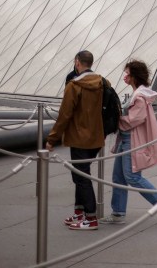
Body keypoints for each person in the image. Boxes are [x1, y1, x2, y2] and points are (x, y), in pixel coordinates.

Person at [101, 60, 157, 225]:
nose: (125, 76)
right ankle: (118, 212)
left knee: (132, 176)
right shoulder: (140, 93)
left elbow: (136, 118)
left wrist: (116, 120)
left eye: (127, 73)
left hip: (131, 139)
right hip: (127, 139)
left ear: (134, 76)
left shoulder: (139, 95)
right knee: (118, 176)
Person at [46, 50, 105, 231]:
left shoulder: (74, 85)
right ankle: (79, 213)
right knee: (80, 175)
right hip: (96, 136)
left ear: (77, 63)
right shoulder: (102, 82)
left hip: (79, 137)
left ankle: (90, 218)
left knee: (81, 177)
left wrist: (52, 139)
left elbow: (64, 115)